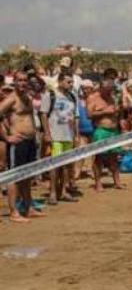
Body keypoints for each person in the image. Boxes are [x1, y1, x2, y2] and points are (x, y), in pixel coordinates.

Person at [0, 70, 44, 223]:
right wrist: (6, 137)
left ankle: (28, 207)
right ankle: (13, 212)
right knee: (15, 176)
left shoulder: (27, 97)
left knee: (27, 175)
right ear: (14, 82)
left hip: (30, 141)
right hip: (17, 143)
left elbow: (29, 117)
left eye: (25, 80)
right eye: (19, 80)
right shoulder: (11, 99)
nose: (22, 83)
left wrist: (35, 136)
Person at [39, 71, 79, 205]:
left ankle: (63, 191)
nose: (71, 84)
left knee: (67, 166)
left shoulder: (72, 97)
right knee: (54, 166)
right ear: (60, 81)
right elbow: (44, 115)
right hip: (55, 136)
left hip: (68, 136)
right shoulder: (50, 95)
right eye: (68, 82)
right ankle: (53, 193)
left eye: (72, 82)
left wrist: (76, 135)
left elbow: (73, 117)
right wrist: (47, 133)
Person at [87, 68, 125, 192]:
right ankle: (98, 183)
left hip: (114, 130)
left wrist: (120, 119)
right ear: (101, 88)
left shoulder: (113, 97)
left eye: (111, 90)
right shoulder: (93, 97)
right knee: (99, 157)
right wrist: (104, 112)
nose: (109, 93)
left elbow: (118, 112)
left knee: (114, 157)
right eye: (107, 91)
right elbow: (89, 114)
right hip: (101, 130)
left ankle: (117, 181)